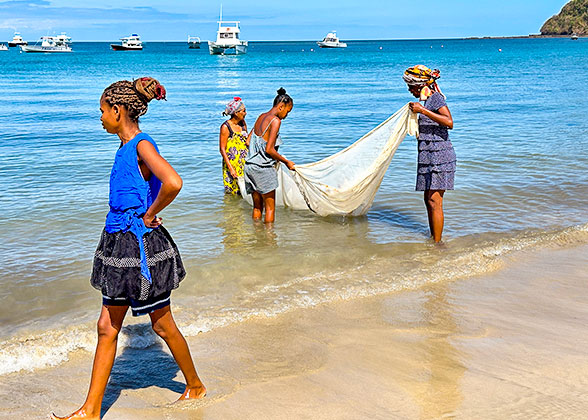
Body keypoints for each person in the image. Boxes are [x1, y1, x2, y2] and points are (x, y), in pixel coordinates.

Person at [51, 77, 206, 420]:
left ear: (118, 111)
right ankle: (90, 410)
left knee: (162, 325)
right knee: (107, 326)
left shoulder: (140, 145)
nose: (100, 117)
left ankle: (195, 385)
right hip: (119, 244)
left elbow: (173, 181)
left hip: (142, 250)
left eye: (103, 111)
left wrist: (151, 213)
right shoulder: (123, 148)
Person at [403, 65, 455, 243]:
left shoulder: (435, 98)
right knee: (429, 200)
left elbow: (449, 122)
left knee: (435, 201)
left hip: (440, 156)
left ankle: (437, 245)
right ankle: (434, 239)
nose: (410, 90)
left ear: (419, 85)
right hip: (428, 155)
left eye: (411, 87)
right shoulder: (427, 100)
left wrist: (422, 111)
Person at [243, 88, 295, 223]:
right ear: (281, 106)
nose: (286, 115)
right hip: (263, 169)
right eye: (287, 111)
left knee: (257, 208)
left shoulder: (261, 116)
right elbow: (269, 149)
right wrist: (286, 161)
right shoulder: (275, 121)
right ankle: (269, 241)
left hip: (249, 167)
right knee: (270, 209)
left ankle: (257, 238)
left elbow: (248, 141)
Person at [219, 97, 251, 195]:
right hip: (232, 164)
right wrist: (231, 168)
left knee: (246, 191)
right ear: (236, 113)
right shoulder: (226, 127)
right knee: (233, 193)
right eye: (243, 111)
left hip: (244, 162)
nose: (245, 113)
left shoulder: (242, 124)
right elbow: (222, 149)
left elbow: (247, 142)